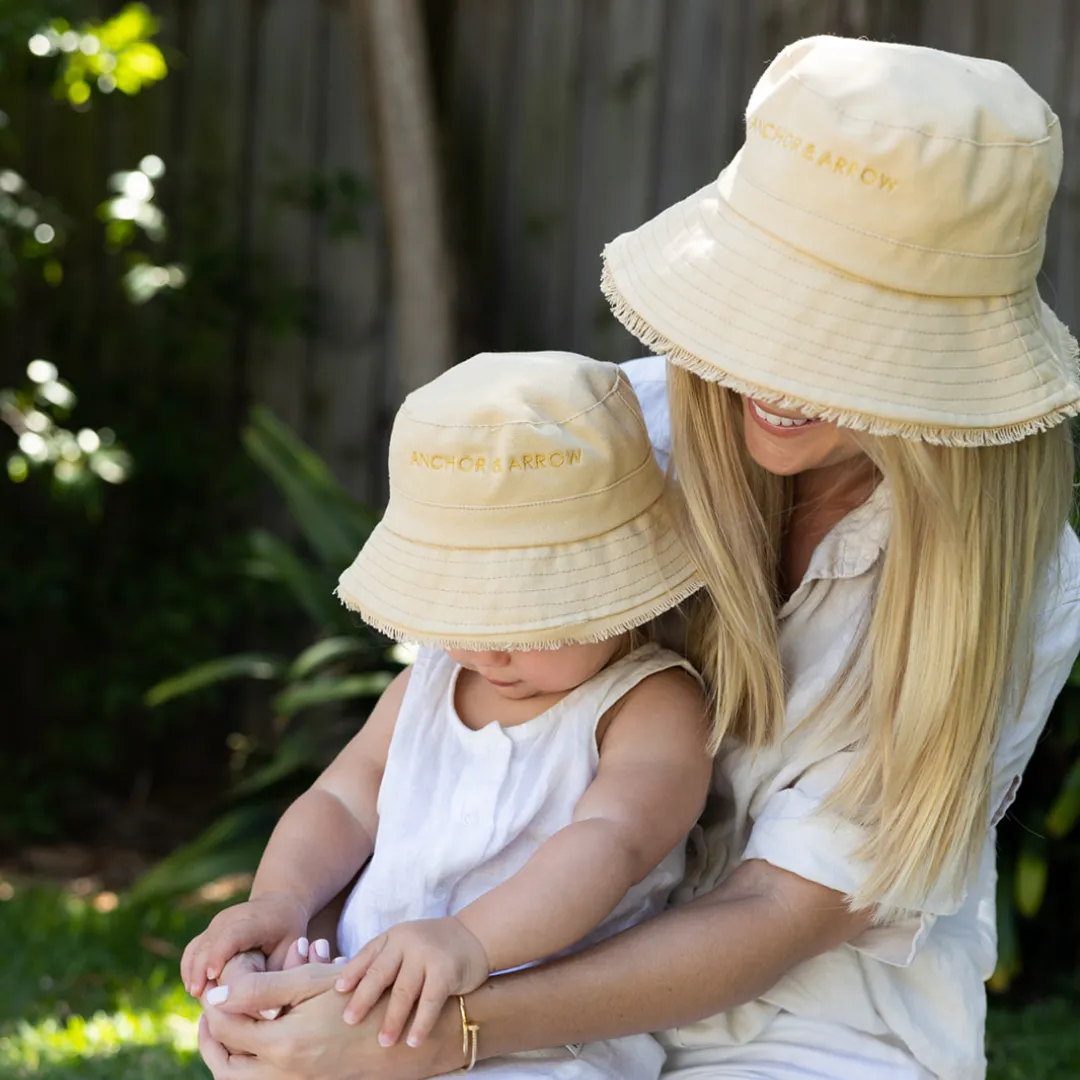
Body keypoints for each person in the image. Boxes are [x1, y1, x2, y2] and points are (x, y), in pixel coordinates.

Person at [197, 34, 1080, 1080]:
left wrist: (448, 1030)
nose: (780, 373)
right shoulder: (601, 445)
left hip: (807, 1027)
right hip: (498, 973)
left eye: (840, 335)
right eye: (769, 306)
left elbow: (778, 911)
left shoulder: (1014, 581)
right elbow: (395, 784)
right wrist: (307, 965)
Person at [183, 350, 712, 1079]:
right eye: (465, 612)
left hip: (533, 1037)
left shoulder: (648, 704)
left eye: (528, 619)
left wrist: (469, 941)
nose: (489, 650)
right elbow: (343, 796)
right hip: (360, 1005)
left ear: (616, 591)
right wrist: (281, 899)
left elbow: (610, 841)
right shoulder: (431, 682)